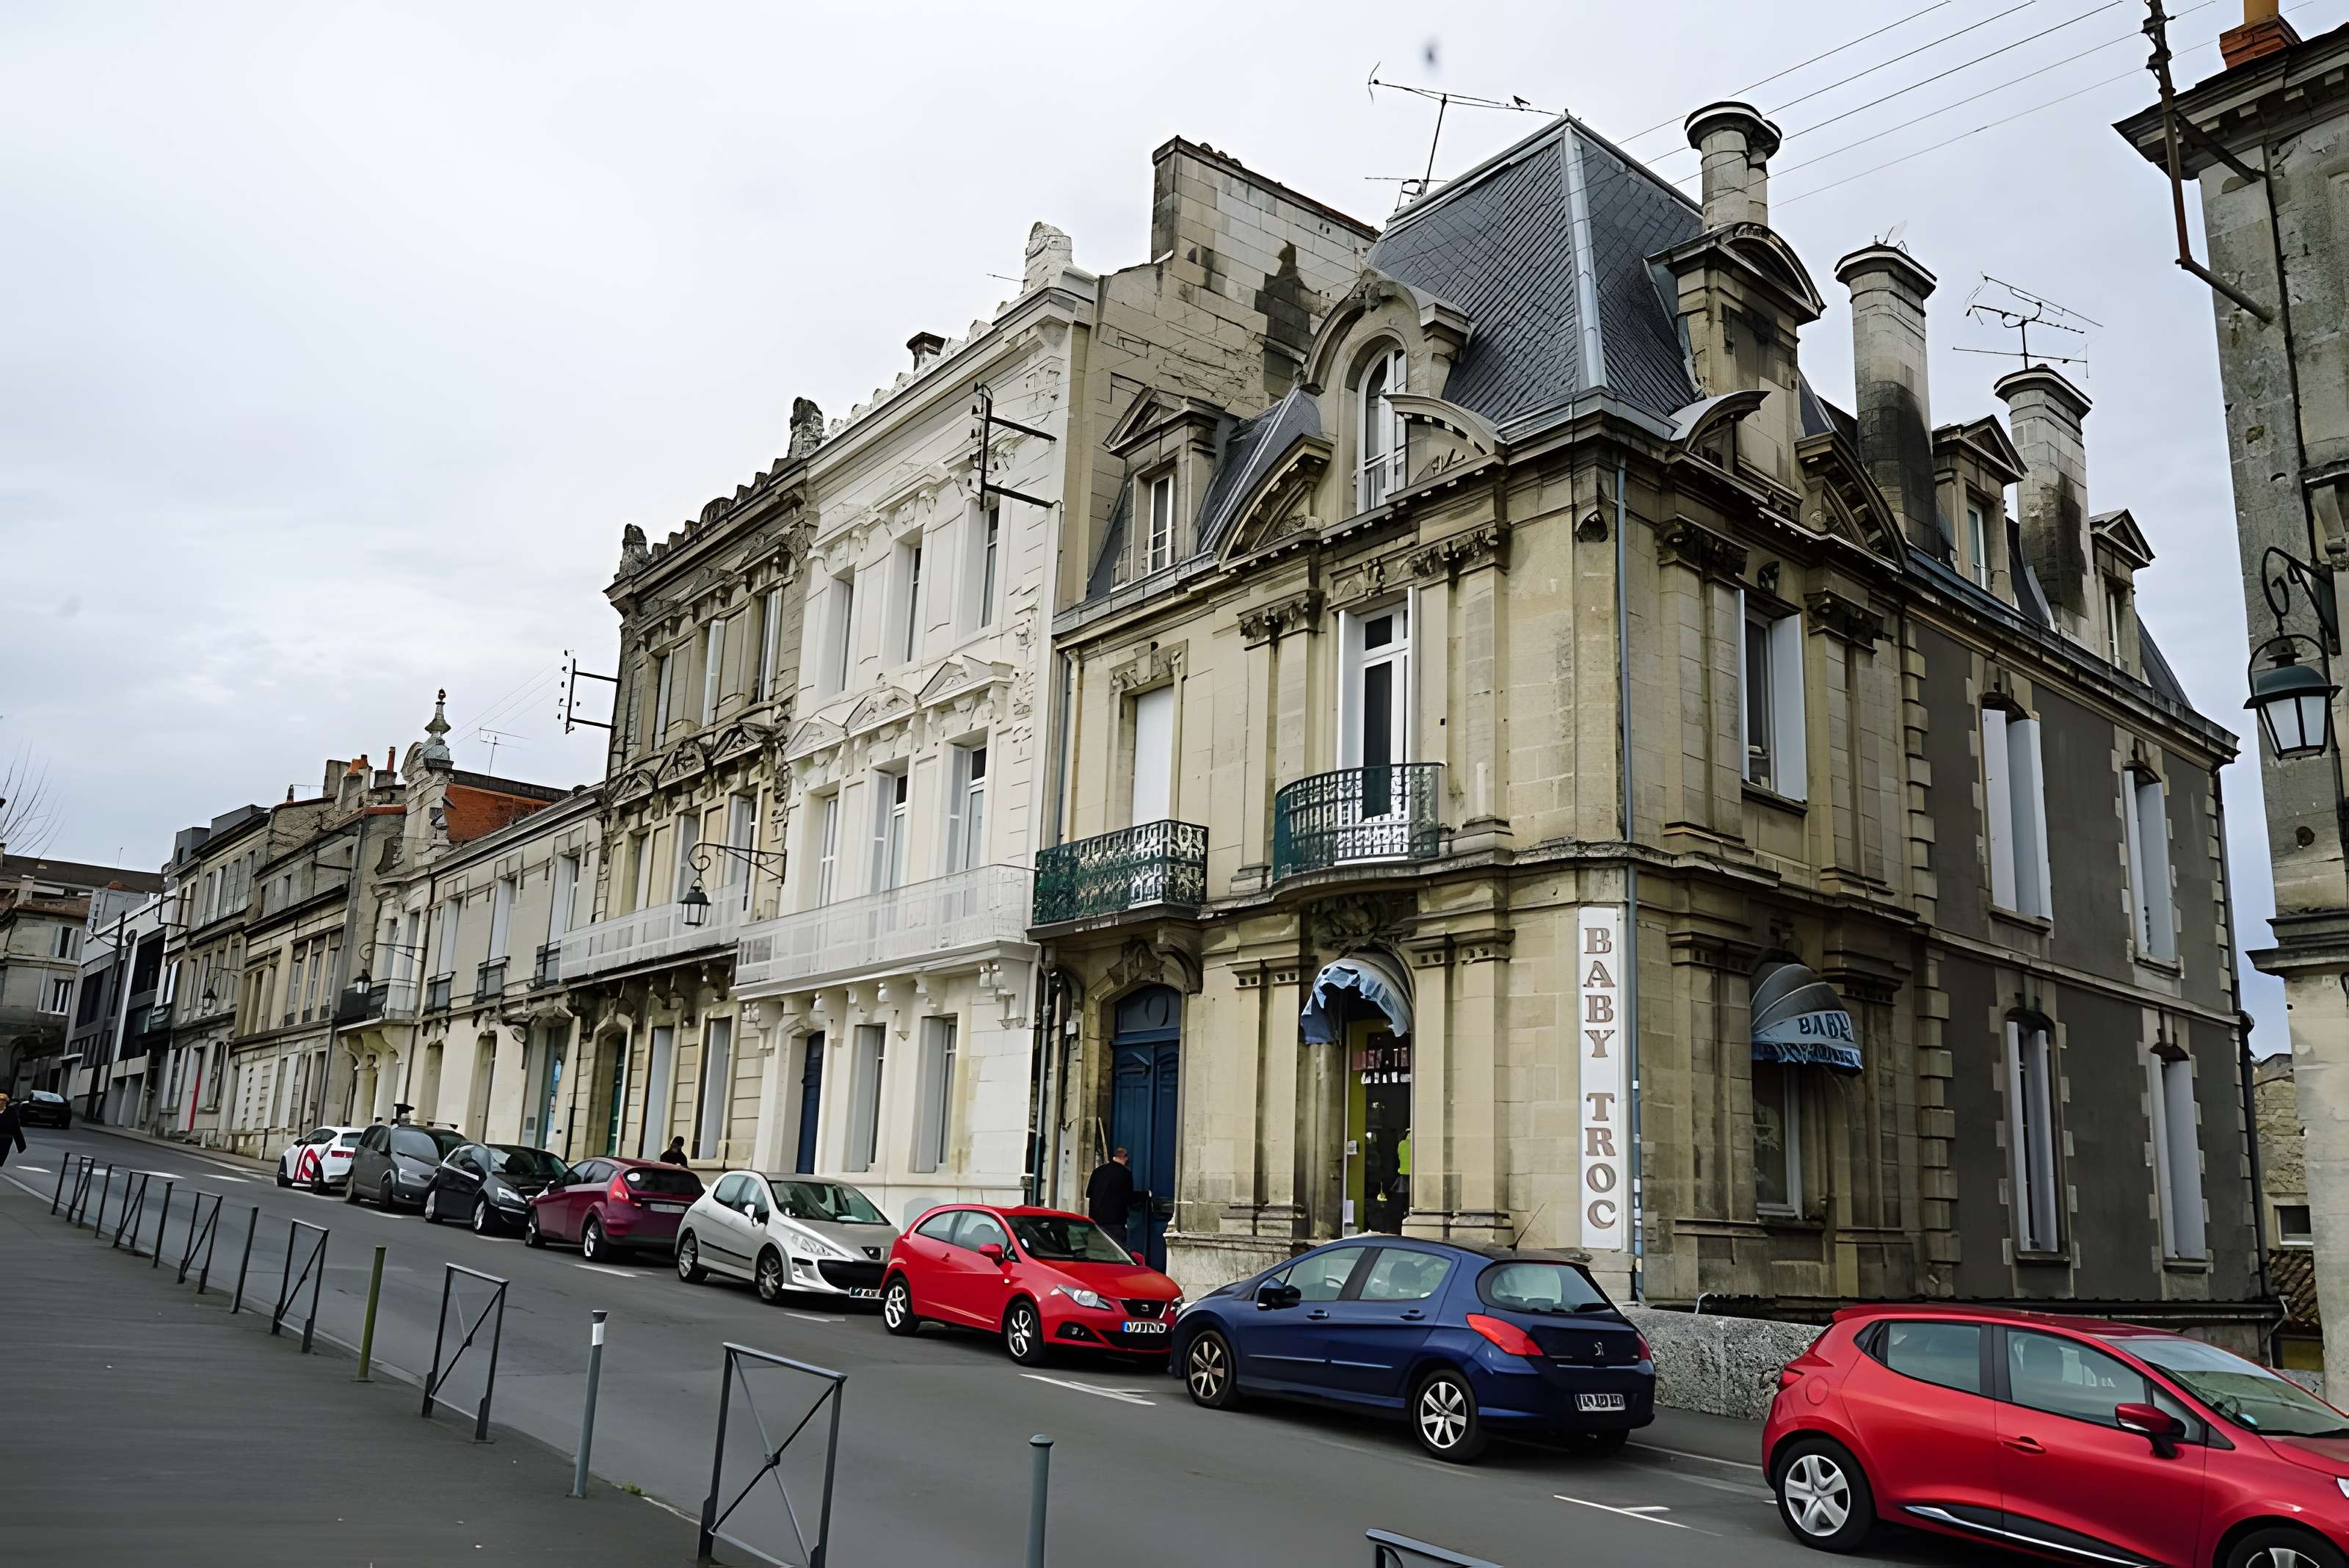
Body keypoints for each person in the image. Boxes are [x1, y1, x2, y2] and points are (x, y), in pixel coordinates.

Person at [1085, 1146, 1142, 1240]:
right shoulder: (1125, 1173)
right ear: (1125, 1158)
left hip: (1096, 1222)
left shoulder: (1097, 1171)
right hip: (1115, 1223)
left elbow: (1089, 1194)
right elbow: (1130, 1199)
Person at [0, 1093, 23, 1169]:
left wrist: (21, 1145)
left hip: (5, 1139)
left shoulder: (11, 1111)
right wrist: (21, 1145)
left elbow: (16, 1128)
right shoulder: (11, 1111)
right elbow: (16, 1128)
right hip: (6, 1139)